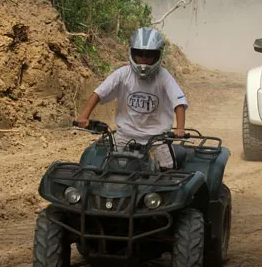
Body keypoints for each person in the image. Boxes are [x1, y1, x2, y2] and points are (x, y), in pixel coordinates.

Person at [75, 26, 188, 169]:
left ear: (158, 55)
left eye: (149, 55)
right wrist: (83, 116)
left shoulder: (163, 76)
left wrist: (180, 129)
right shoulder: (123, 74)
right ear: (132, 53)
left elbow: (179, 102)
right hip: (125, 135)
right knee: (104, 166)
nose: (143, 59)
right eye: (139, 54)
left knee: (166, 173)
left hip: (157, 138)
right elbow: (98, 93)